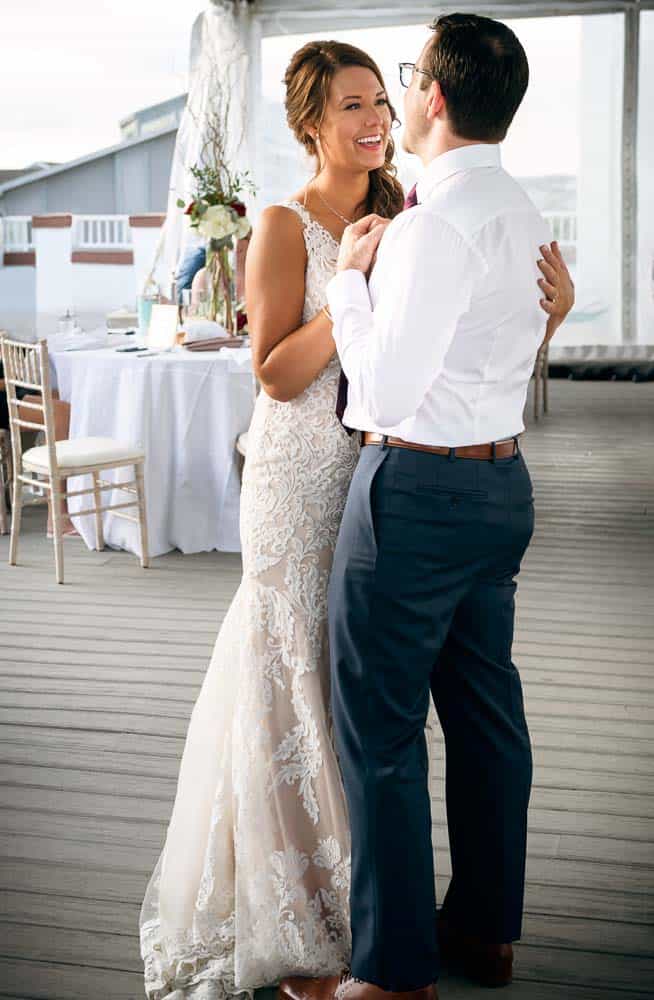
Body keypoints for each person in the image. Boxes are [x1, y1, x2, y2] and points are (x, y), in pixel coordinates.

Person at [138, 35, 572, 1000]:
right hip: (307, 474)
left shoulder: (406, 209)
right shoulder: (286, 224)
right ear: (309, 124)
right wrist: (354, 293)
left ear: (426, 103)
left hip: (391, 476)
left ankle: (383, 937)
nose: (378, 117)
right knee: (305, 677)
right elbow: (274, 369)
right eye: (353, 106)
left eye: (386, 96)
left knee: (373, 713)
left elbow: (445, 342)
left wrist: (528, 310)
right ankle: (321, 899)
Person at [323, 14, 573, 1000]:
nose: (401, 93)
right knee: (483, 717)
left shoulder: (432, 224)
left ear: (431, 95)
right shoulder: (526, 213)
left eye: (407, 75)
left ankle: (390, 974)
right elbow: (513, 344)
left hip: (416, 492)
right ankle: (485, 931)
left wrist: (349, 282)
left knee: (380, 731)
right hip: (500, 488)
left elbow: (383, 391)